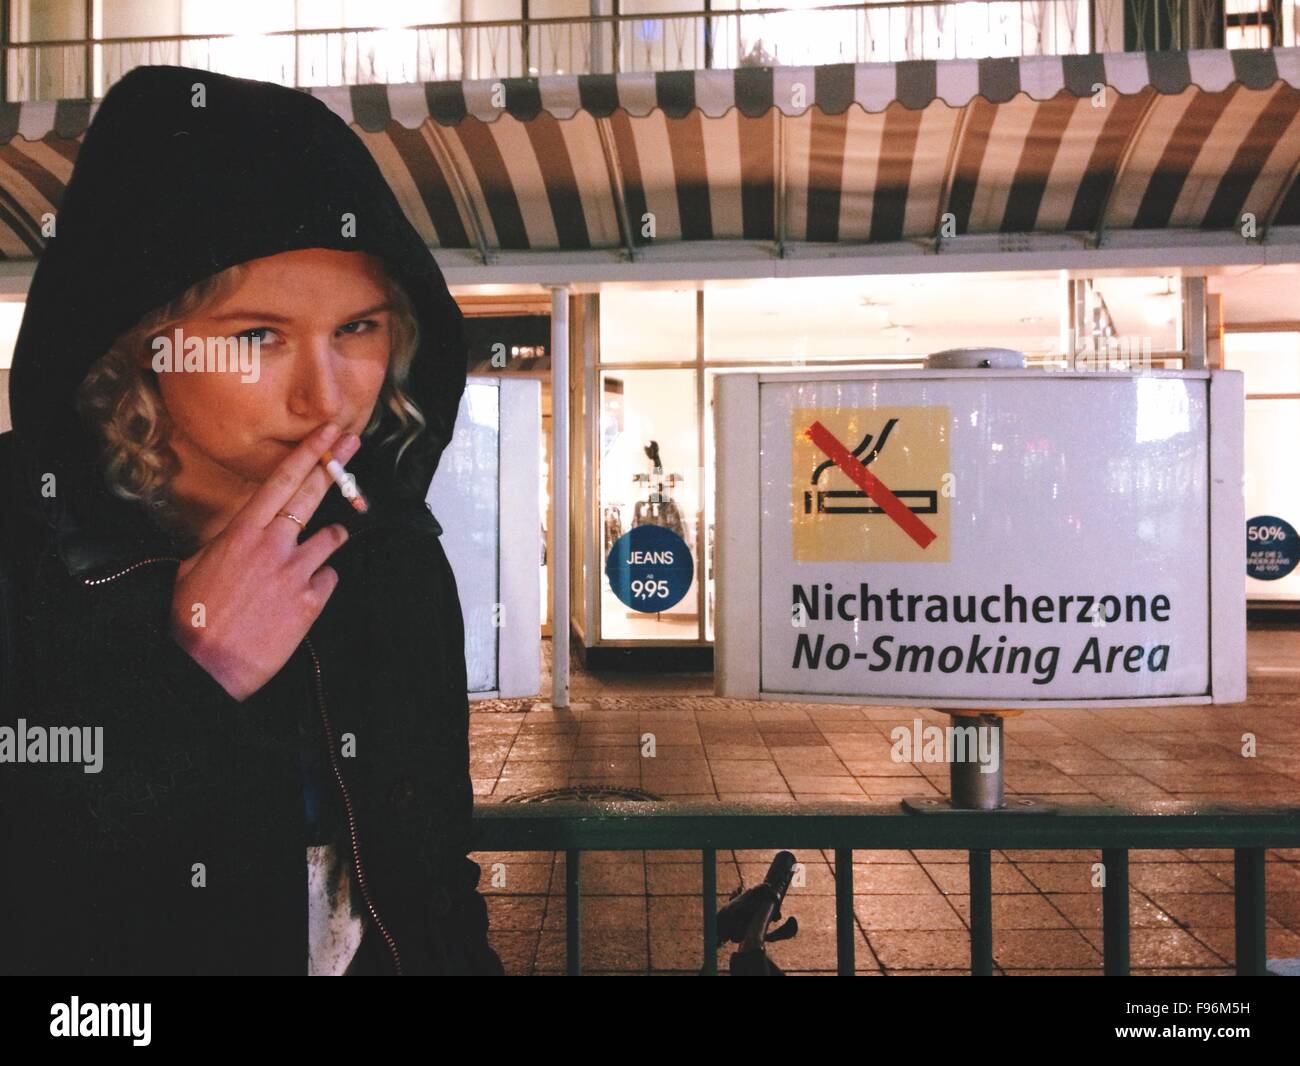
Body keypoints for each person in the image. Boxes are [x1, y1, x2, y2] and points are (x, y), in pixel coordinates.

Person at [0, 64, 504, 976]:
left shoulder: (389, 551)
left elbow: (434, 874)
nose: (327, 395)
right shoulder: (22, 549)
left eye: (359, 328)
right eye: (256, 336)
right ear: (137, 347)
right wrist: (192, 676)